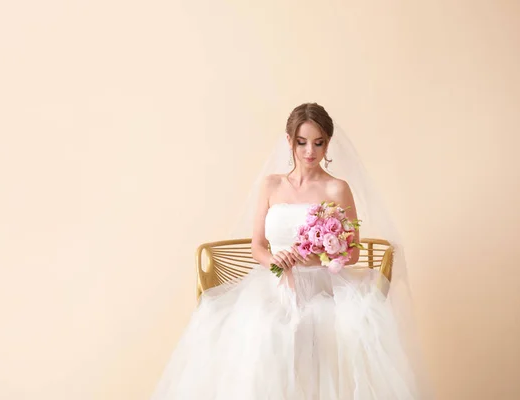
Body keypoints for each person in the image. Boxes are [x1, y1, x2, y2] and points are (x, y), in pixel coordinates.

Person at [150, 103, 427, 399]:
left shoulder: (337, 188)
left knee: (332, 326)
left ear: (328, 144)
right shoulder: (272, 185)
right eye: (302, 142)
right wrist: (274, 259)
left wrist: (322, 254)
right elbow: (257, 244)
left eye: (319, 143)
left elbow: (354, 252)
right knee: (263, 328)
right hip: (276, 284)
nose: (310, 151)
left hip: (323, 285)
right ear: (289, 141)